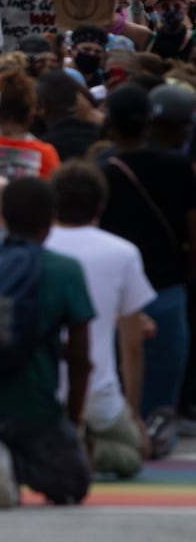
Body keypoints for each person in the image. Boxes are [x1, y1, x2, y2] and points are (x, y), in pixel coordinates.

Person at [0, 178, 94, 510]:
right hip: (30, 407)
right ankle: (12, 465)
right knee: (73, 484)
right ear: (50, 217)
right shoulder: (64, 269)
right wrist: (72, 424)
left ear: (3, 215)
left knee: (0, 430)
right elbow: (80, 359)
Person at [95, 84, 196, 457]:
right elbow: (192, 231)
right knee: (161, 379)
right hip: (165, 287)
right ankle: (154, 433)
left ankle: (114, 432)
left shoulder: (101, 168)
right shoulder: (177, 167)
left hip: (112, 291)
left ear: (110, 123)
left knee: (114, 369)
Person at [45, 162, 154, 479]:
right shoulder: (123, 253)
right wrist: (133, 413)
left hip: (42, 387)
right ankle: (91, 447)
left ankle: (55, 445)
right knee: (133, 455)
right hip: (99, 391)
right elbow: (132, 344)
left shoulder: (34, 247)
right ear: (101, 204)